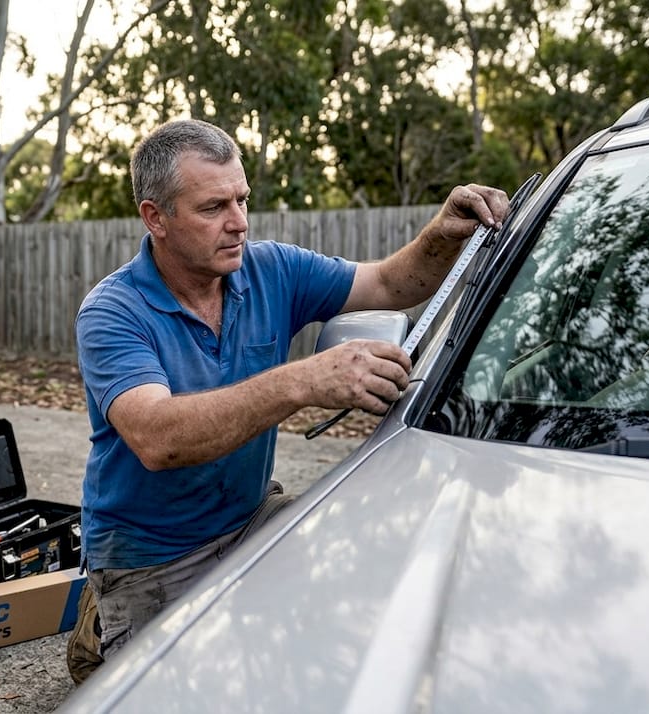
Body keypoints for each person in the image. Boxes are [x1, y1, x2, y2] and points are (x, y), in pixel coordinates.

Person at [66, 118, 508, 682]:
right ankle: (104, 619)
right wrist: (304, 381)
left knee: (368, 580)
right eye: (213, 208)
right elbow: (159, 439)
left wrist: (441, 236)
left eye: (242, 199)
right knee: (180, 693)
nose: (239, 223)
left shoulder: (270, 269)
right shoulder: (113, 312)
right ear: (156, 217)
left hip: (251, 519)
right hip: (154, 555)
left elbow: (390, 285)